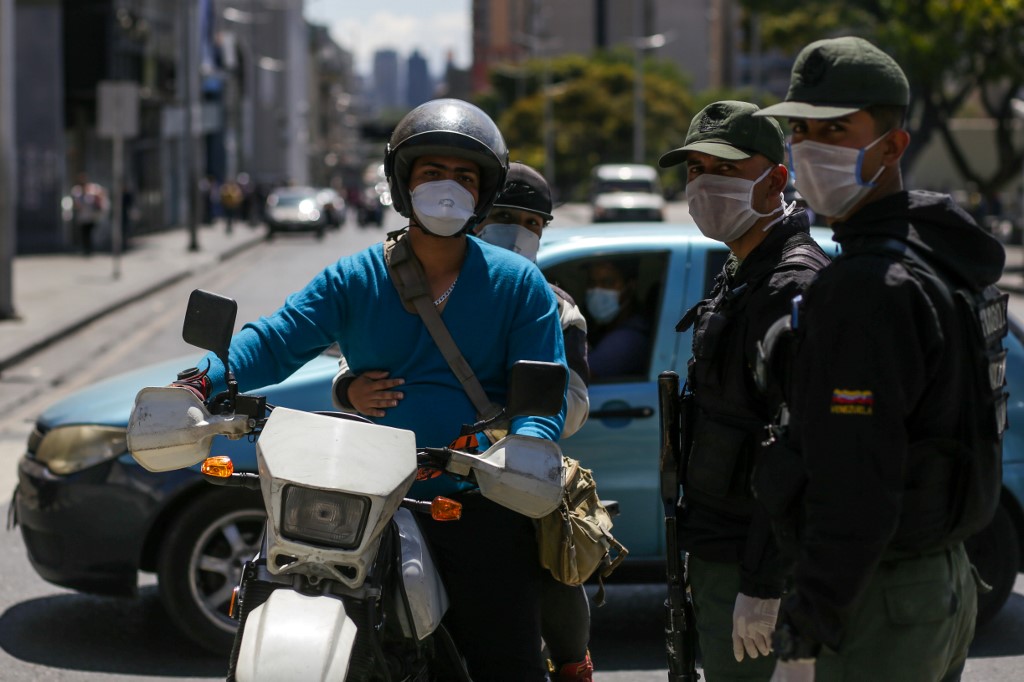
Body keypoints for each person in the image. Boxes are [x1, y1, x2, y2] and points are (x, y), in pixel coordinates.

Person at [174, 99, 567, 681]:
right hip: (365, 498)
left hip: (477, 497)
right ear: (402, 183)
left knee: (506, 656)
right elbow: (277, 339)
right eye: (433, 173)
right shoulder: (354, 277)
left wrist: (526, 448)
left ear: (483, 192)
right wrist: (200, 382)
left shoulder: (519, 284)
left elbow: (543, 394)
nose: (448, 188)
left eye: (464, 177)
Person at [751, 37, 1006, 681]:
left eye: (835, 129)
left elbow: (857, 481)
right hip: (937, 581)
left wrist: (810, 621)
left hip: (876, 596)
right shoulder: (931, 255)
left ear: (892, 146)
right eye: (801, 130)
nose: (809, 148)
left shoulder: (870, 286)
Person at [332, 162, 595, 680]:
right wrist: (349, 388)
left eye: (533, 221)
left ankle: (572, 663)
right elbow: (355, 359)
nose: (519, 230)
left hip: (505, 484)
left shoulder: (553, 306)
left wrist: (518, 414)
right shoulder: (417, 285)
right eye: (505, 215)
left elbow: (575, 404)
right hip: (403, 488)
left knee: (549, 575)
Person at [658, 100, 830, 681]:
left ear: (776, 178)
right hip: (718, 550)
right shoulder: (742, 269)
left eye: (725, 169)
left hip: (751, 563)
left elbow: (802, 452)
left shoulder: (792, 284)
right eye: (696, 170)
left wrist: (764, 584)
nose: (705, 184)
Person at [585, 258, 650, 380]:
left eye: (608, 283)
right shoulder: (608, 329)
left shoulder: (628, 339)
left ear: (630, 287)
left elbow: (573, 382)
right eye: (592, 283)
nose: (597, 291)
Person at [70, 172, 108, 256]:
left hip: (91, 217)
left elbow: (101, 194)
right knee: (84, 234)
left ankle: (90, 249)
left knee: (89, 233)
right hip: (82, 217)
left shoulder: (92, 190)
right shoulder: (77, 192)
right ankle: (86, 249)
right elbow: (76, 204)